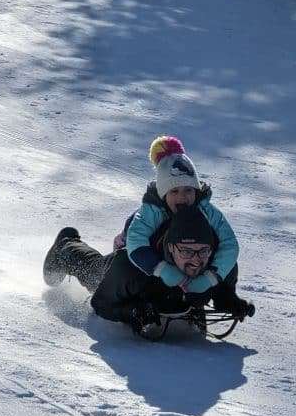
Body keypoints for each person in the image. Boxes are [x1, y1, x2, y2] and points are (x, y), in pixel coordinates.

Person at [42, 136, 252, 336]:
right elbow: (135, 247)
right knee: (95, 272)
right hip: (135, 260)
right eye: (175, 191)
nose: (183, 197)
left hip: (172, 266)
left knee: (222, 260)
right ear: (163, 193)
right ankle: (66, 247)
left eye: (189, 190)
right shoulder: (151, 212)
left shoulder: (205, 212)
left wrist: (221, 290)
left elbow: (228, 247)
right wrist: (133, 308)